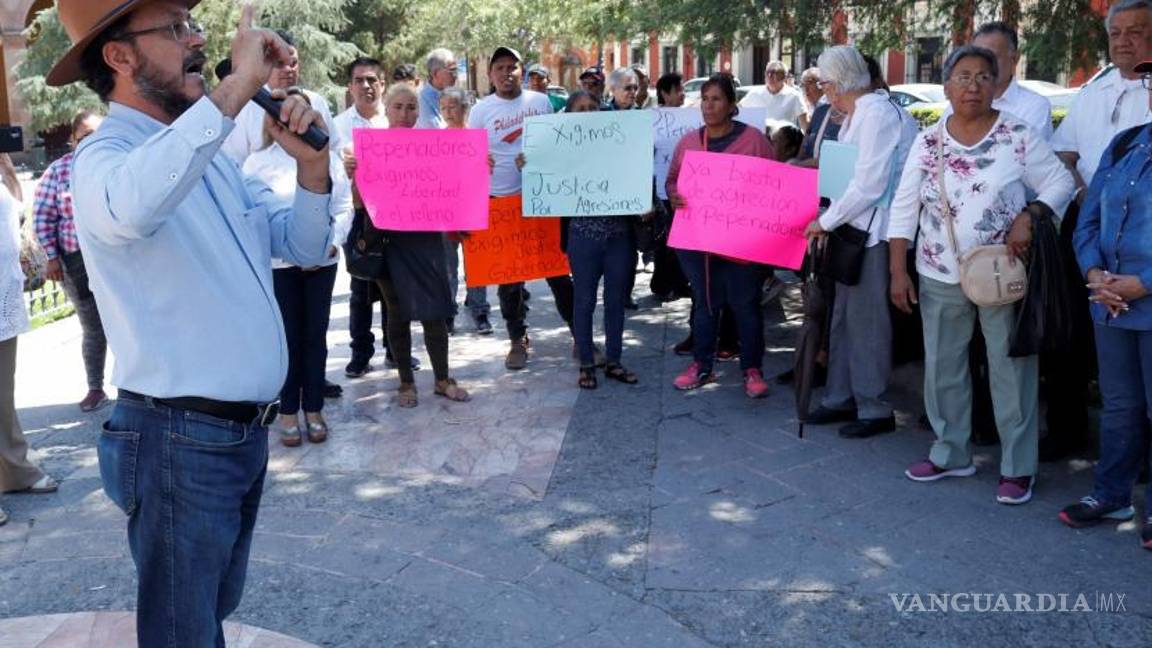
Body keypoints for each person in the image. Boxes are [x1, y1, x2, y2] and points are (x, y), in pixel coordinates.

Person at [53, 2, 334, 643]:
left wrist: (313, 171)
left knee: (204, 617)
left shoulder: (207, 156)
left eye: (191, 22)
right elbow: (131, 206)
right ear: (119, 57)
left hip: (231, 440)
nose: (198, 39)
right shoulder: (105, 158)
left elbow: (305, 247)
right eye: (175, 29)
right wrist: (234, 91)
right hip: (178, 438)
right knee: (184, 632)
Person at [888, 46, 1075, 503]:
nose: (972, 85)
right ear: (947, 86)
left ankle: (1018, 466)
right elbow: (904, 205)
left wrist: (1032, 214)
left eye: (983, 76)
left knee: (1011, 369)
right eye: (963, 76)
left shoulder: (1016, 133)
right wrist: (898, 269)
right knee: (943, 368)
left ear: (996, 85)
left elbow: (1061, 182)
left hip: (1001, 272)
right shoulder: (929, 139)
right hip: (938, 269)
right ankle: (951, 452)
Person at [1050, 0, 1152, 460]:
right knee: (1075, 337)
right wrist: (1081, 196)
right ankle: (1076, 438)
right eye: (1116, 33)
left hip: (1143, 243)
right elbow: (1065, 152)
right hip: (1089, 223)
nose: (1125, 40)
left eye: (1137, 31)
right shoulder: (1094, 90)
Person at [802, 45, 919, 438]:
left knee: (868, 323)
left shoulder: (877, 114)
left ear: (836, 83)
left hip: (873, 232)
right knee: (844, 318)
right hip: (852, 230)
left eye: (824, 83)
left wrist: (826, 220)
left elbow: (869, 185)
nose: (823, 91)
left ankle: (874, 407)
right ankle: (840, 397)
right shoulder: (857, 114)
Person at [1059, 57, 1152, 547]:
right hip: (1110, 302)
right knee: (1120, 406)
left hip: (1143, 297)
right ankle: (1111, 493)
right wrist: (1094, 273)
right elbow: (1088, 219)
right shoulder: (1125, 143)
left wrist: (1145, 282)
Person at [344, 83, 470, 407]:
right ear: (387, 110)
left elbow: (455, 188)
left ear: (419, 110)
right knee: (397, 312)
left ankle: (442, 378)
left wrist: (478, 170)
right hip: (387, 241)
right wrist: (354, 176)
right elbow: (359, 205)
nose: (405, 113)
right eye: (398, 106)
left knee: (435, 310)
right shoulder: (370, 149)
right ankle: (405, 382)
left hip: (426, 238)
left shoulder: (434, 145)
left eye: (411, 106)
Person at [244, 113, 353, 447]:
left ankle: (315, 408)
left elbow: (344, 204)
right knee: (287, 338)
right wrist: (294, 252)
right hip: (280, 266)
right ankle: (288, 411)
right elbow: (256, 214)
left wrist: (330, 242)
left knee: (315, 336)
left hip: (323, 261)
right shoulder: (255, 163)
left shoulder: (328, 159)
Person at [467, 45, 577, 370]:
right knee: (509, 282)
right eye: (499, 67)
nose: (506, 73)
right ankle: (518, 340)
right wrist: (477, 160)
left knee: (559, 274)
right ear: (490, 75)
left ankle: (579, 337)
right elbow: (469, 157)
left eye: (512, 67)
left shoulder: (540, 102)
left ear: (522, 71)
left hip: (540, 201)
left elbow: (556, 147)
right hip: (500, 204)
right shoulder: (480, 110)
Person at [667, 73, 774, 398]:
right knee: (705, 303)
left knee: (746, 306)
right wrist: (674, 196)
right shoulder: (688, 142)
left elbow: (776, 182)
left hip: (743, 244)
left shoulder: (754, 141)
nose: (708, 106)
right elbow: (672, 180)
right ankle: (702, 365)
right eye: (705, 99)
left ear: (731, 105)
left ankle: (752, 369)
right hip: (699, 243)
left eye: (716, 99)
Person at [547, 90, 641, 389]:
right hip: (582, 239)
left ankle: (614, 360)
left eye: (592, 107)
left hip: (619, 238)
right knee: (584, 302)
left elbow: (638, 177)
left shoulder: (619, 145)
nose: (587, 113)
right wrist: (531, 165)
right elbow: (543, 182)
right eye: (580, 109)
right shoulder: (560, 152)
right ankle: (586, 363)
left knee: (615, 302)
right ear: (570, 116)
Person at [333, 57, 420, 376]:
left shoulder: (397, 117)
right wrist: (345, 171)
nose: (366, 86)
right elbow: (327, 173)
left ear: (382, 85)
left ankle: (397, 351)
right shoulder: (338, 126)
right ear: (350, 87)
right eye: (359, 80)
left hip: (398, 219)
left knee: (396, 290)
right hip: (358, 217)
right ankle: (360, 353)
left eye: (372, 80)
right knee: (361, 287)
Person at [32, 110, 111, 412]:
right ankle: (95, 387)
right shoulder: (58, 171)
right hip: (76, 261)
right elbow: (42, 216)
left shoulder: (117, 163)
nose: (92, 141)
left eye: (98, 133)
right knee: (93, 327)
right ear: (73, 139)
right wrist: (52, 257)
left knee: (130, 320)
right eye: (85, 135)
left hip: (116, 258)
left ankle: (138, 389)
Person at [1, 153, 58, 528]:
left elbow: (16, 210)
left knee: (4, 394)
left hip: (2, 296)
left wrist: (7, 171)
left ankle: (14, 470)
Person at [221, 28, 335, 165]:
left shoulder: (317, 102)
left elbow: (333, 148)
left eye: (293, 63)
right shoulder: (246, 105)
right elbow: (234, 160)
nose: (288, 70)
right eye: (280, 64)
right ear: (265, 65)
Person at [440, 86, 493, 335]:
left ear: (465, 108)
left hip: (473, 209)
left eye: (453, 106)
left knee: (476, 264)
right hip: (446, 213)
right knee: (448, 267)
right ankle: (447, 311)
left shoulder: (477, 138)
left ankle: (479, 309)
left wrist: (488, 164)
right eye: (444, 108)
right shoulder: (435, 141)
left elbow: (487, 176)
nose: (448, 112)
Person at [650, 72, 692, 305]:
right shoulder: (653, 119)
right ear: (665, 94)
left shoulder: (691, 118)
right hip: (661, 189)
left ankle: (679, 283)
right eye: (678, 90)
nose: (682, 94)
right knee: (665, 240)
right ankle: (662, 284)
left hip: (684, 188)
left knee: (682, 239)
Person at [739, 60, 806, 128]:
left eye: (776, 73)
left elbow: (804, 125)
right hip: (759, 137)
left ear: (784, 77)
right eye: (768, 72)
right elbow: (737, 111)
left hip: (783, 137)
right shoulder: (754, 94)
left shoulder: (794, 95)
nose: (770, 76)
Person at [415, 48, 457, 129]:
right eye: (452, 70)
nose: (455, 75)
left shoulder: (456, 96)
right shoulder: (422, 101)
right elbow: (434, 135)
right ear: (435, 73)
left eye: (456, 70)